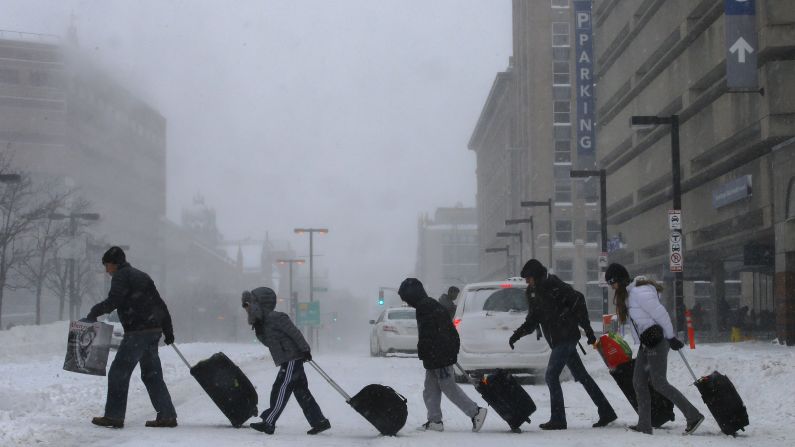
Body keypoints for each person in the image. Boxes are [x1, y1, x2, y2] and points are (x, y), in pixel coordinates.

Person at [509, 259, 616, 430]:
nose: (526, 282)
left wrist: (587, 330)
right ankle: (606, 410)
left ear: (536, 276)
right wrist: (517, 335)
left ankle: (558, 419)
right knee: (582, 376)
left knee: (551, 376)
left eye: (528, 278)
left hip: (566, 337)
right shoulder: (532, 292)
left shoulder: (553, 285)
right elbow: (533, 319)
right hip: (557, 339)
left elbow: (578, 300)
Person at [605, 263, 705, 435]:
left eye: (612, 282)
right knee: (638, 381)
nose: (612, 287)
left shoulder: (639, 293)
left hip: (657, 340)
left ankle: (693, 416)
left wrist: (671, 337)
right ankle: (644, 424)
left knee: (659, 382)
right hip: (647, 341)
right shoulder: (629, 294)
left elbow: (661, 314)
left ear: (620, 279)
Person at [83, 246, 177, 429]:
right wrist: (167, 330)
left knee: (119, 372)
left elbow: (114, 301)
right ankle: (167, 415)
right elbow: (160, 305)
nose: (106, 270)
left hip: (137, 332)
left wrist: (94, 312)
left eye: (107, 265)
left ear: (114, 263)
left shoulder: (121, 276)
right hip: (152, 331)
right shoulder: (142, 276)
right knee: (152, 375)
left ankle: (114, 416)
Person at [398, 278, 487, 432]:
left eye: (406, 299)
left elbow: (428, 333)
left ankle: (476, 412)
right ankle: (435, 421)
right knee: (430, 389)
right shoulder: (428, 304)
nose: (407, 303)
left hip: (439, 353)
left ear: (412, 296)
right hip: (437, 353)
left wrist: (426, 351)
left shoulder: (425, 307)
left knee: (448, 386)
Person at [243, 287, 330, 435]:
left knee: (281, 389)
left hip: (292, 358)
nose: (247, 308)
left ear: (259, 303)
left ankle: (269, 422)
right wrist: (258, 327)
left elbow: (295, 333)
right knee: (300, 391)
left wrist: (305, 349)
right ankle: (319, 421)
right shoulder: (262, 323)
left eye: (249, 304)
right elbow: (270, 342)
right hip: (287, 359)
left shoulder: (277, 317)